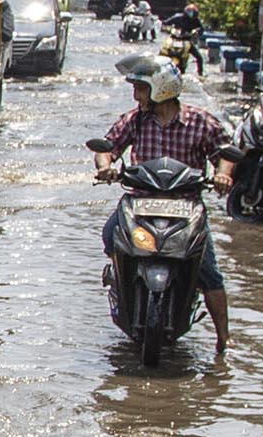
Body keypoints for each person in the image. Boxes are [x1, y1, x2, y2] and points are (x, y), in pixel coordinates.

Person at [93, 61, 234, 360]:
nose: (137, 97)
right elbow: (107, 146)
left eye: (141, 89)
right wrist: (105, 167)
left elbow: (224, 151)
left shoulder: (199, 121)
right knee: (109, 236)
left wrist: (224, 174)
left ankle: (224, 338)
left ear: (161, 90)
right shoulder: (136, 120)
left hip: (186, 205)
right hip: (140, 201)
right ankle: (120, 281)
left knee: (208, 272)